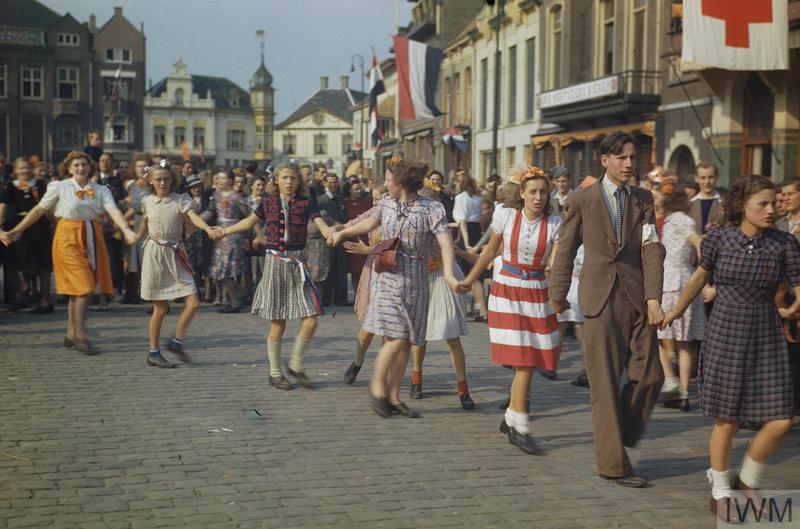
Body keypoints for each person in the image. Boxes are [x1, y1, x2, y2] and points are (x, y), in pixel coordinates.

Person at [663, 175, 799, 514]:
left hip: (767, 332)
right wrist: (675, 310)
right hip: (725, 330)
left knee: (781, 418)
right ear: (742, 206)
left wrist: (794, 308)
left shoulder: (784, 243)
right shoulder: (718, 239)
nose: (771, 209)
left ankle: (748, 481)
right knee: (727, 419)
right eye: (763, 204)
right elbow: (699, 277)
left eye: (773, 203)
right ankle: (721, 488)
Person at [549, 131, 666, 488]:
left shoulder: (643, 199)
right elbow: (566, 249)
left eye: (633, 157)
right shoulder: (581, 199)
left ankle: (623, 432)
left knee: (651, 376)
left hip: (638, 296)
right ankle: (614, 464)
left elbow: (651, 249)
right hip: (599, 299)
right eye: (622, 158)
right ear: (605, 161)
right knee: (603, 383)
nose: (629, 164)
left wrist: (654, 298)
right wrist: (557, 295)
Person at [330, 158, 458, 418]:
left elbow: (445, 243)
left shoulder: (432, 208)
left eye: (389, 180)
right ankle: (377, 387)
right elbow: (368, 223)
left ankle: (393, 396)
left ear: (401, 183)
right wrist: (342, 233)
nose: (385, 184)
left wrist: (449, 274)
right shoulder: (386, 203)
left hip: (417, 281)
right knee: (396, 335)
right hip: (388, 276)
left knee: (405, 342)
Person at [459, 166, 561, 452]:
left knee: (527, 360)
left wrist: (560, 293)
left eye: (543, 192)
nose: (538, 197)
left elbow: (555, 263)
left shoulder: (554, 223)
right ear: (522, 194)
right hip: (507, 290)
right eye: (532, 192)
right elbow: (490, 252)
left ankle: (510, 418)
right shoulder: (507, 216)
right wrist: (469, 280)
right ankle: (520, 426)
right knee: (525, 360)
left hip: (537, 293)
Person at [0, 151, 138, 353]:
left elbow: (113, 210)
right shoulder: (60, 187)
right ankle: (81, 336)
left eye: (84, 164)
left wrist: (126, 230)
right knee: (85, 287)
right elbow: (39, 209)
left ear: (90, 167)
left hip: (91, 236)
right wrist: (17, 230)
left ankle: (71, 334)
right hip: (67, 238)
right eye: (76, 165)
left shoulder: (100, 190)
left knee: (77, 290)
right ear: (69, 168)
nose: (81, 168)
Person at [220, 162, 332, 389]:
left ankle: (296, 365)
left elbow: (321, 224)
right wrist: (223, 231)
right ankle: (274, 373)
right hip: (276, 263)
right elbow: (249, 222)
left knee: (311, 318)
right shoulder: (267, 202)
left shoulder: (306, 203)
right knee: (278, 322)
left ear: (299, 181)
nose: (289, 182)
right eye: (285, 178)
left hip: (298, 263)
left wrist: (331, 234)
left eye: (293, 177)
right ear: (276, 180)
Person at [137, 161, 219, 368]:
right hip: (155, 254)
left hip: (176, 253)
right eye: (158, 179)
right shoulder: (147, 201)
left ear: (173, 180)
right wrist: (134, 235)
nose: (163, 183)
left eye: (166, 179)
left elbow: (193, 217)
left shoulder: (180, 200)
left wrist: (208, 229)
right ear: (152, 181)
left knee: (193, 302)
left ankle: (176, 341)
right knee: (161, 308)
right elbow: (145, 222)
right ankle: (153, 352)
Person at [410, 184, 475, 410]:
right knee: (420, 334)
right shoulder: (412, 227)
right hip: (423, 280)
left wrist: (437, 262)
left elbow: (451, 255)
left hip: (443, 279)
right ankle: (416, 379)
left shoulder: (442, 228)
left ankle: (463, 388)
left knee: (453, 336)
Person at [655, 183, 704, 411]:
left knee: (657, 332)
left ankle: (671, 379)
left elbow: (698, 242)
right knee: (684, 342)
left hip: (672, 281)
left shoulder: (679, 220)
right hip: (686, 279)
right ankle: (682, 393)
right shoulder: (680, 219)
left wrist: (707, 268)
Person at [342, 185, 385, 385]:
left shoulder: (398, 214)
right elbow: (355, 222)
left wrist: (369, 249)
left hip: (395, 270)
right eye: (374, 199)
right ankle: (357, 362)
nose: (377, 202)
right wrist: (337, 230)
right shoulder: (374, 212)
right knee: (368, 325)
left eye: (380, 198)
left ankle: (384, 371)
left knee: (389, 328)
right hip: (374, 270)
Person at [0, 158, 53, 313]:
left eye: (28, 168)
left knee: (43, 264)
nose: (25, 171)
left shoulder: (40, 184)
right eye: (22, 168)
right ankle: (20, 297)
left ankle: (46, 299)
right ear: (16, 171)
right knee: (15, 263)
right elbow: (3, 206)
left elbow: (47, 207)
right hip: (17, 227)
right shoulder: (10, 187)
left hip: (39, 227)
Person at [208, 169, 250, 313]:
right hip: (220, 235)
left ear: (231, 181)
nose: (219, 180)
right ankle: (239, 296)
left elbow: (249, 216)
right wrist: (194, 220)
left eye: (223, 178)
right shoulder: (216, 195)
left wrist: (250, 236)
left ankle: (236, 300)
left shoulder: (236, 197)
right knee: (222, 271)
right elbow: (210, 212)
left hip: (233, 235)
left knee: (227, 270)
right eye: (218, 178)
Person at [453, 174, 487, 322]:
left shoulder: (461, 198)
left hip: (466, 234)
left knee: (469, 275)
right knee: (475, 273)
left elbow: (463, 222)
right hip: (476, 232)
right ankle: (478, 309)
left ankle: (480, 310)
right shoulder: (477, 198)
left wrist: (465, 243)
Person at [317, 173, 349, 306]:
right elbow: (325, 218)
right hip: (328, 237)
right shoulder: (321, 200)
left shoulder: (340, 198)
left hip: (342, 237)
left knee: (342, 269)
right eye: (330, 182)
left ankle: (341, 298)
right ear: (325, 183)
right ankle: (326, 298)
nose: (333, 185)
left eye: (335, 182)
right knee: (328, 268)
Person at [342, 178, 372, 296]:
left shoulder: (366, 201)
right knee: (354, 271)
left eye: (360, 189)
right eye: (355, 189)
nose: (358, 191)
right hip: (351, 238)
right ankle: (357, 295)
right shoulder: (345, 202)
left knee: (366, 268)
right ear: (349, 190)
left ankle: (366, 294)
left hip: (365, 238)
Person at [689, 162, 724, 235]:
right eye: (703, 178)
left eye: (711, 177)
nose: (707, 182)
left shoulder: (725, 202)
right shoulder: (689, 205)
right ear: (696, 179)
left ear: (717, 177)